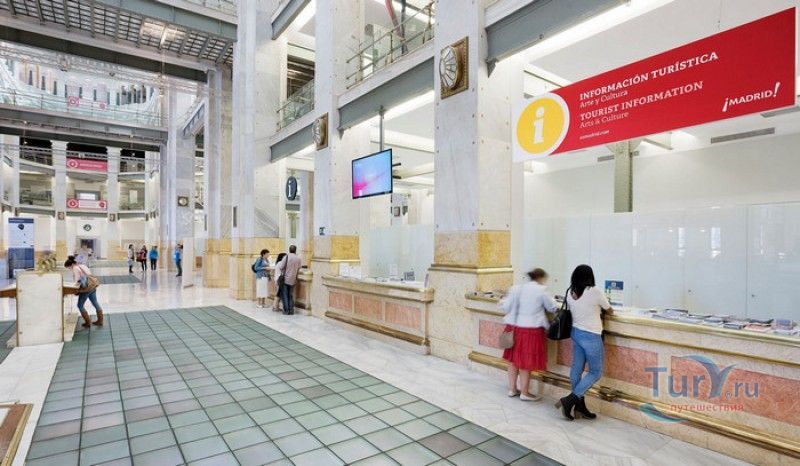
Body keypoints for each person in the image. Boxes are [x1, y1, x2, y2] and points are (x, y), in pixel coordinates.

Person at [556, 264, 614, 421]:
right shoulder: (594, 291)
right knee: (596, 372)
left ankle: (579, 407)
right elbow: (609, 310)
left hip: (576, 333)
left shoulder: (570, 292)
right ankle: (570, 399)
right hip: (591, 335)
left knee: (577, 368)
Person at [501, 268, 556, 402]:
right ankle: (524, 392)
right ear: (540, 278)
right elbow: (552, 307)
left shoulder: (516, 288)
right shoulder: (542, 290)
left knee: (513, 360)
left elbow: (505, 307)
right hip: (530, 330)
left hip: (513, 328)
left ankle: (512, 389)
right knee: (525, 362)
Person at [65, 256, 103, 328]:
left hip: (86, 289)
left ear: (71, 265)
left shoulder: (75, 268)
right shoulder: (82, 265)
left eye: (69, 268)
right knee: (95, 302)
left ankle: (88, 322)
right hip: (92, 285)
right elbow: (88, 275)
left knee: (80, 305)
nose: (70, 269)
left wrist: (74, 288)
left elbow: (77, 281)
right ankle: (100, 321)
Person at [279, 245, 302, 315]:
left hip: (285, 279)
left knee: (285, 295)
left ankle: (286, 310)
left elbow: (281, 267)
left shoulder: (286, 257)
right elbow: (299, 268)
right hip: (293, 279)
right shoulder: (298, 258)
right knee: (290, 295)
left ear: (289, 250)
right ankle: (291, 310)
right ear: (295, 250)